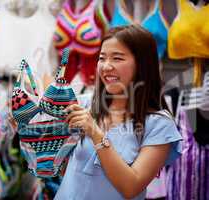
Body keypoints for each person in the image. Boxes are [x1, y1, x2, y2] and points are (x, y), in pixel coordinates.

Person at [54, 25, 182, 200]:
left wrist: (96, 134)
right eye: (102, 58)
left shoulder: (159, 124)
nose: (106, 66)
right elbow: (49, 154)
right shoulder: (84, 103)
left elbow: (131, 187)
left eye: (117, 58)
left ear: (142, 64)